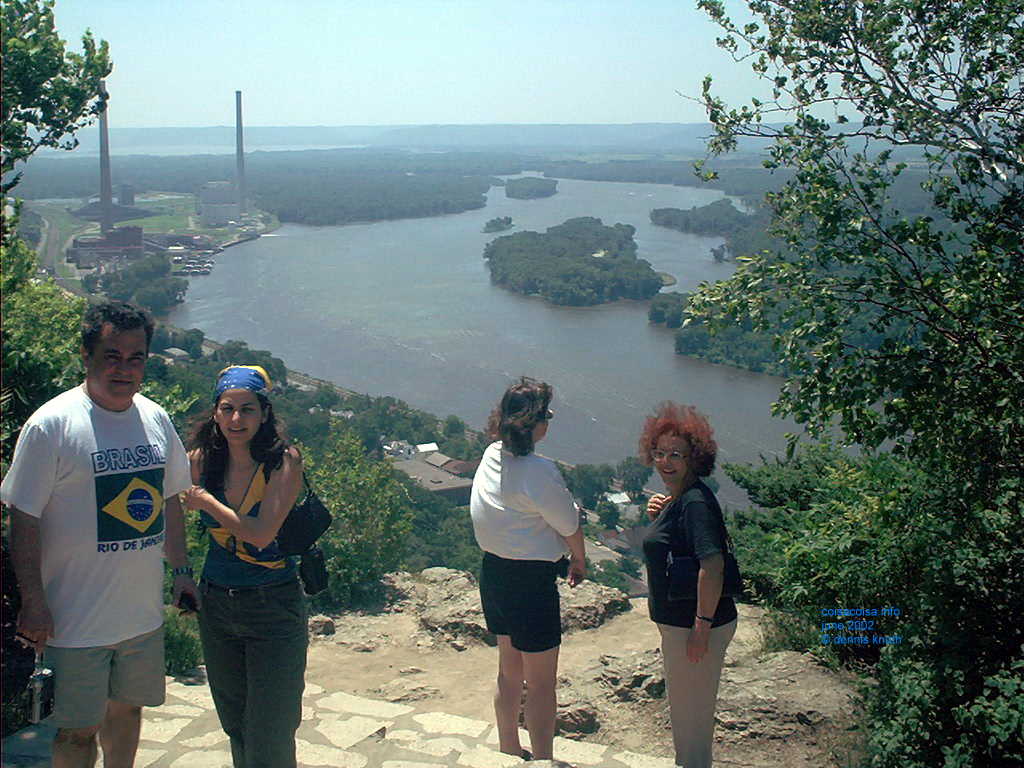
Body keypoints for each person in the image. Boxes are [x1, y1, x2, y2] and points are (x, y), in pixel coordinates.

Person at [2, 300, 197, 768]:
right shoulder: (51, 426)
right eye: (112, 356)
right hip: (73, 621)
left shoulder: (154, 419)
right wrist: (34, 601)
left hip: (140, 616)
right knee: (76, 731)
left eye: (136, 358)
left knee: (128, 711)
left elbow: (170, 498)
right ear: (87, 357)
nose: (124, 369)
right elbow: (22, 517)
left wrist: (183, 571)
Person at [182, 365, 305, 768]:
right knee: (235, 723)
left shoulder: (283, 462)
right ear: (215, 413)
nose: (237, 419)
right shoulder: (201, 462)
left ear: (264, 413)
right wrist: (180, 571)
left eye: (247, 409)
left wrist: (207, 503)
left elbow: (261, 534)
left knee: (271, 729)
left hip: (273, 605)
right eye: (228, 408)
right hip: (217, 603)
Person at [469, 377, 586, 761]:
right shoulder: (539, 470)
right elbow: (569, 525)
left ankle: (507, 747)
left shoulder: (490, 454)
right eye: (547, 414)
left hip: (494, 575)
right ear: (535, 423)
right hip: (530, 583)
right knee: (540, 684)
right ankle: (542, 758)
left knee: (509, 671)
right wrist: (578, 559)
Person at [639, 402, 737, 768]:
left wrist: (701, 627)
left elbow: (712, 565)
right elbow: (678, 544)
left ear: (695, 458)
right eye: (659, 453)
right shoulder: (682, 498)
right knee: (686, 718)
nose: (665, 462)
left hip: (694, 628)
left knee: (691, 724)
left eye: (676, 454)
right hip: (682, 625)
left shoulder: (695, 502)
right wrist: (662, 514)